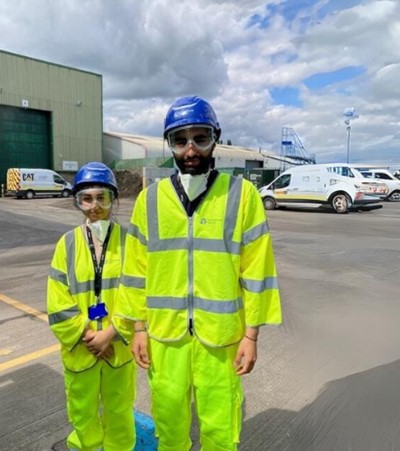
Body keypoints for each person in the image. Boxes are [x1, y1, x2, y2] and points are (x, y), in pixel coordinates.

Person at [114, 96, 282, 450]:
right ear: (170, 145)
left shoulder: (243, 196)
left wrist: (251, 336)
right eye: (180, 140)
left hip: (220, 340)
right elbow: (135, 272)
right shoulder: (150, 200)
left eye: (200, 138)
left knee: (220, 431)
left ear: (215, 139)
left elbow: (258, 271)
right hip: (165, 336)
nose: (190, 149)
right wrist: (138, 329)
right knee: (170, 426)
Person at [46, 162, 136, 451]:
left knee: (119, 411)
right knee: (82, 412)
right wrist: (89, 336)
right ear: (77, 202)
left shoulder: (130, 242)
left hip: (117, 347)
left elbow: (136, 293)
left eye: (102, 198)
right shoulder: (67, 244)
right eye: (86, 199)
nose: (94, 206)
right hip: (81, 348)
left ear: (113, 199)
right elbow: (58, 300)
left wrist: (111, 333)